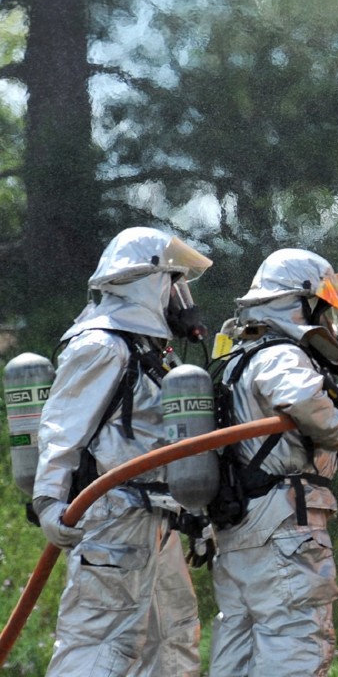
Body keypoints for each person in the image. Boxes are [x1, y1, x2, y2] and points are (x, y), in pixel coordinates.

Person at [206, 248, 338, 677]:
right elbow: (306, 399)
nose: (325, 321)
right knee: (297, 648)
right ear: (300, 304)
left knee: (239, 653)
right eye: (320, 310)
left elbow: (327, 349)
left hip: (241, 529)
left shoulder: (242, 352)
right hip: (283, 529)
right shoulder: (279, 355)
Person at [33, 226, 211, 676]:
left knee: (172, 643)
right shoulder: (102, 344)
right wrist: (51, 499)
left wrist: (200, 511)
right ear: (147, 283)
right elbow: (61, 426)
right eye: (174, 283)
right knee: (99, 645)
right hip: (113, 518)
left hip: (159, 518)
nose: (181, 298)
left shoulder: (152, 353)